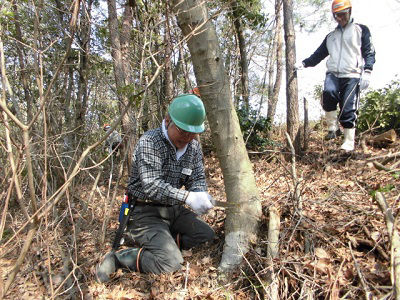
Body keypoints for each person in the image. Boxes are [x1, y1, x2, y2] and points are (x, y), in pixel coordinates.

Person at [96, 94, 215, 283]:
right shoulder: (150, 141)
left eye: (192, 133)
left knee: (206, 235)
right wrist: (187, 197)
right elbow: (152, 186)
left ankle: (166, 240)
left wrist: (200, 194)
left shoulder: (193, 147)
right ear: (168, 121)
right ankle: (119, 258)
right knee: (171, 263)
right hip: (144, 212)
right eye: (183, 131)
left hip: (173, 210)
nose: (187, 138)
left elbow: (197, 177)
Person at [295, 0, 376, 151]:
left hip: (352, 74)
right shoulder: (331, 36)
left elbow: (369, 52)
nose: (339, 18)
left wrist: (368, 71)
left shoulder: (361, 30)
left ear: (349, 12)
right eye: (336, 15)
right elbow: (318, 54)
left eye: (342, 14)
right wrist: (304, 63)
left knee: (347, 109)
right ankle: (333, 129)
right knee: (328, 93)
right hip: (333, 73)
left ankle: (348, 142)